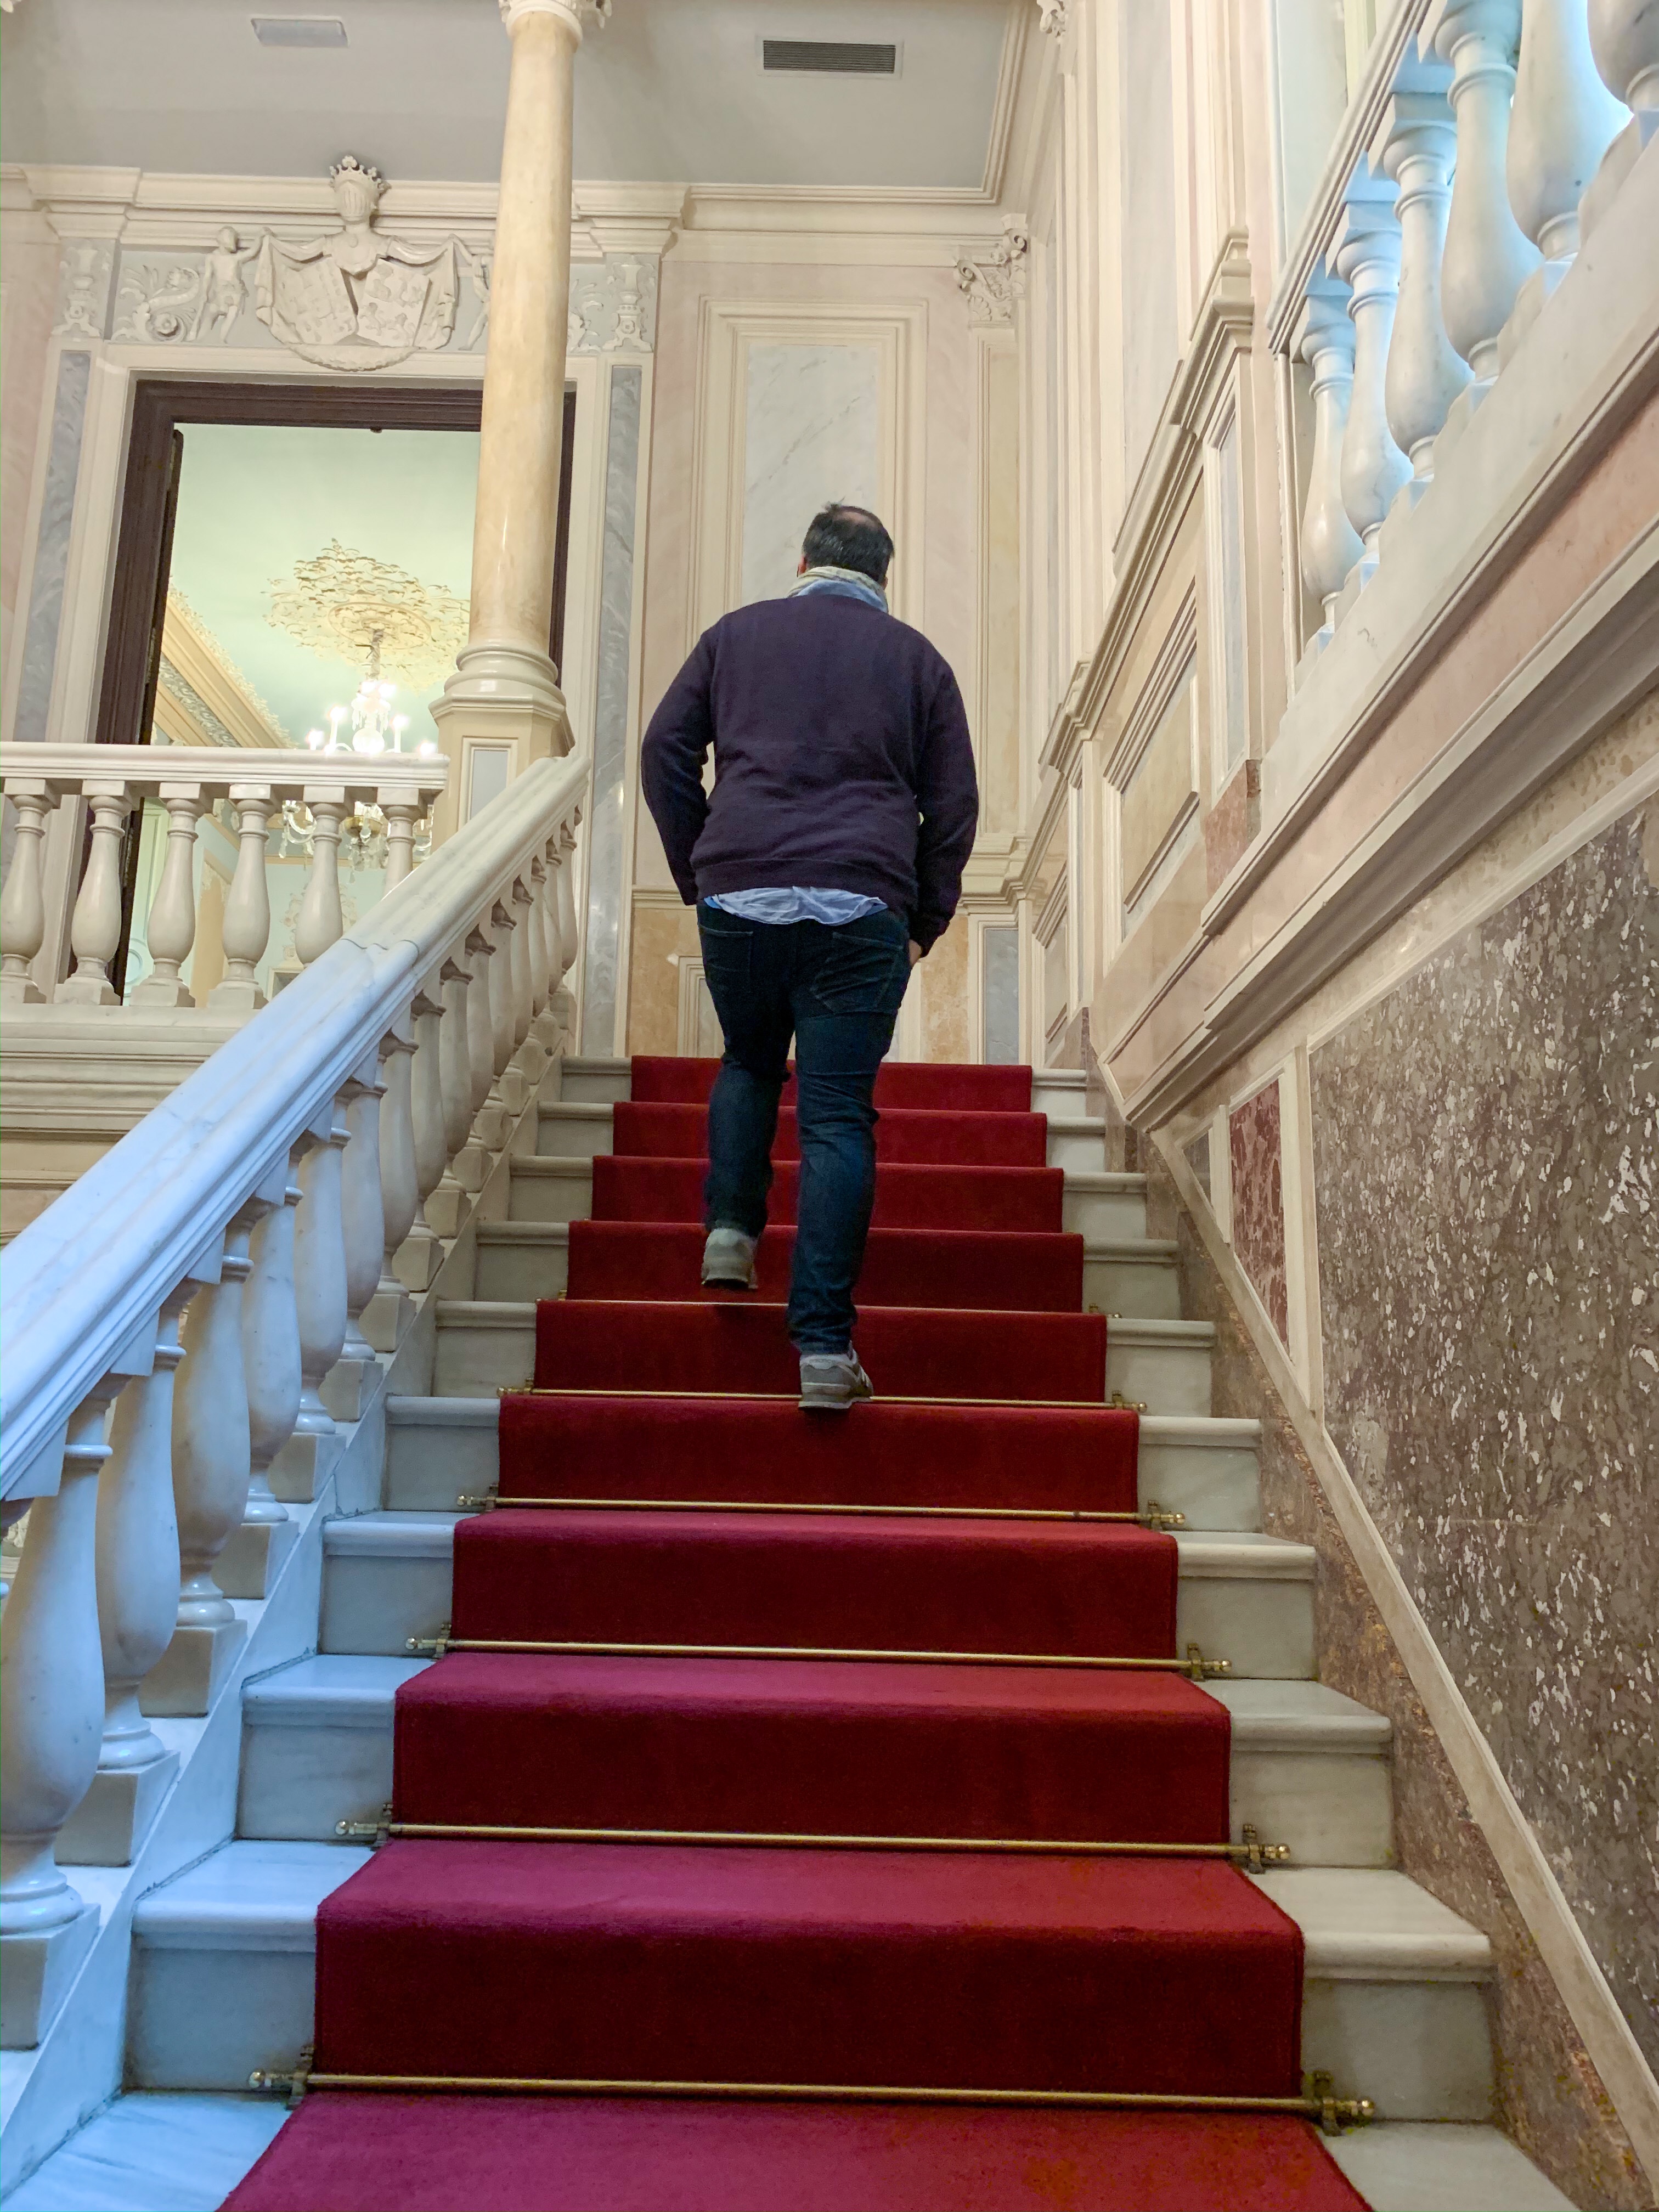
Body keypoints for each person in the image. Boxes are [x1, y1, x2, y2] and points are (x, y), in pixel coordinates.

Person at [640, 503, 978, 1411]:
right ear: (882, 575)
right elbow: (953, 805)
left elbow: (664, 749)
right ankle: (824, 1350)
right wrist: (925, 920)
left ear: (803, 564)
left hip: (740, 892)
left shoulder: (733, 637)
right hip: (862, 903)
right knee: (835, 1118)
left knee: (750, 1061)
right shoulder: (918, 660)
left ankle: (730, 1231)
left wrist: (701, 865)